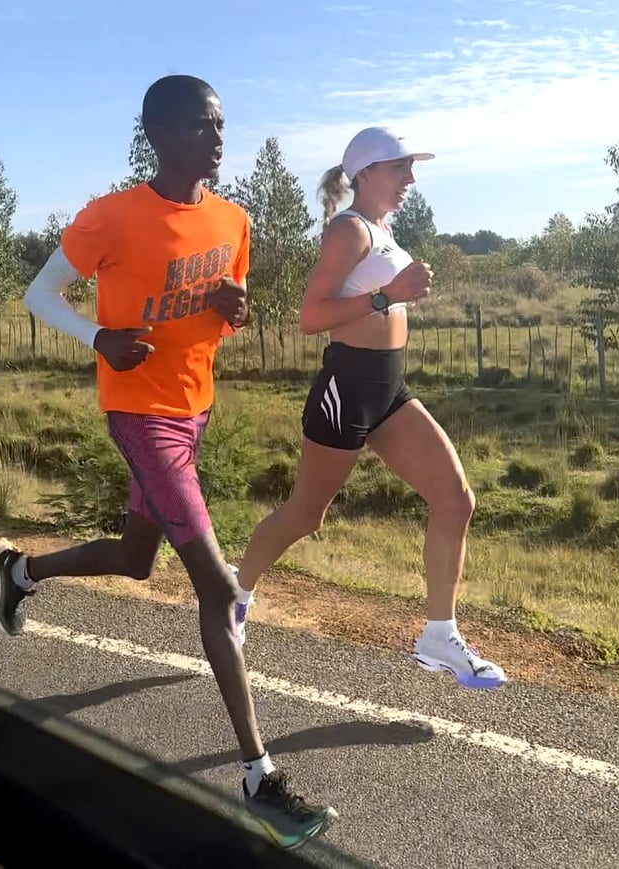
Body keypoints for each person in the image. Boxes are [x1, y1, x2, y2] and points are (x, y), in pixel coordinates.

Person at [0, 74, 337, 849]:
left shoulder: (233, 218)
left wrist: (231, 310)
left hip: (194, 408)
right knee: (219, 586)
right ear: (159, 134)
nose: (218, 137)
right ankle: (258, 779)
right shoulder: (111, 216)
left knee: (138, 558)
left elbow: (221, 314)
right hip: (139, 416)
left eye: (221, 124)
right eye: (202, 125)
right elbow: (39, 295)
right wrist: (98, 338)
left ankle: (19, 572)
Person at [232, 126, 507, 690]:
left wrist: (395, 293)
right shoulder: (348, 230)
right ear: (366, 173)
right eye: (400, 168)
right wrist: (389, 294)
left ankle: (438, 635)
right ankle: (235, 592)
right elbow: (311, 317)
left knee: (456, 499)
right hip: (347, 386)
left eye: (410, 168)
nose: (411, 179)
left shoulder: (383, 230)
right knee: (306, 516)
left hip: (389, 388)